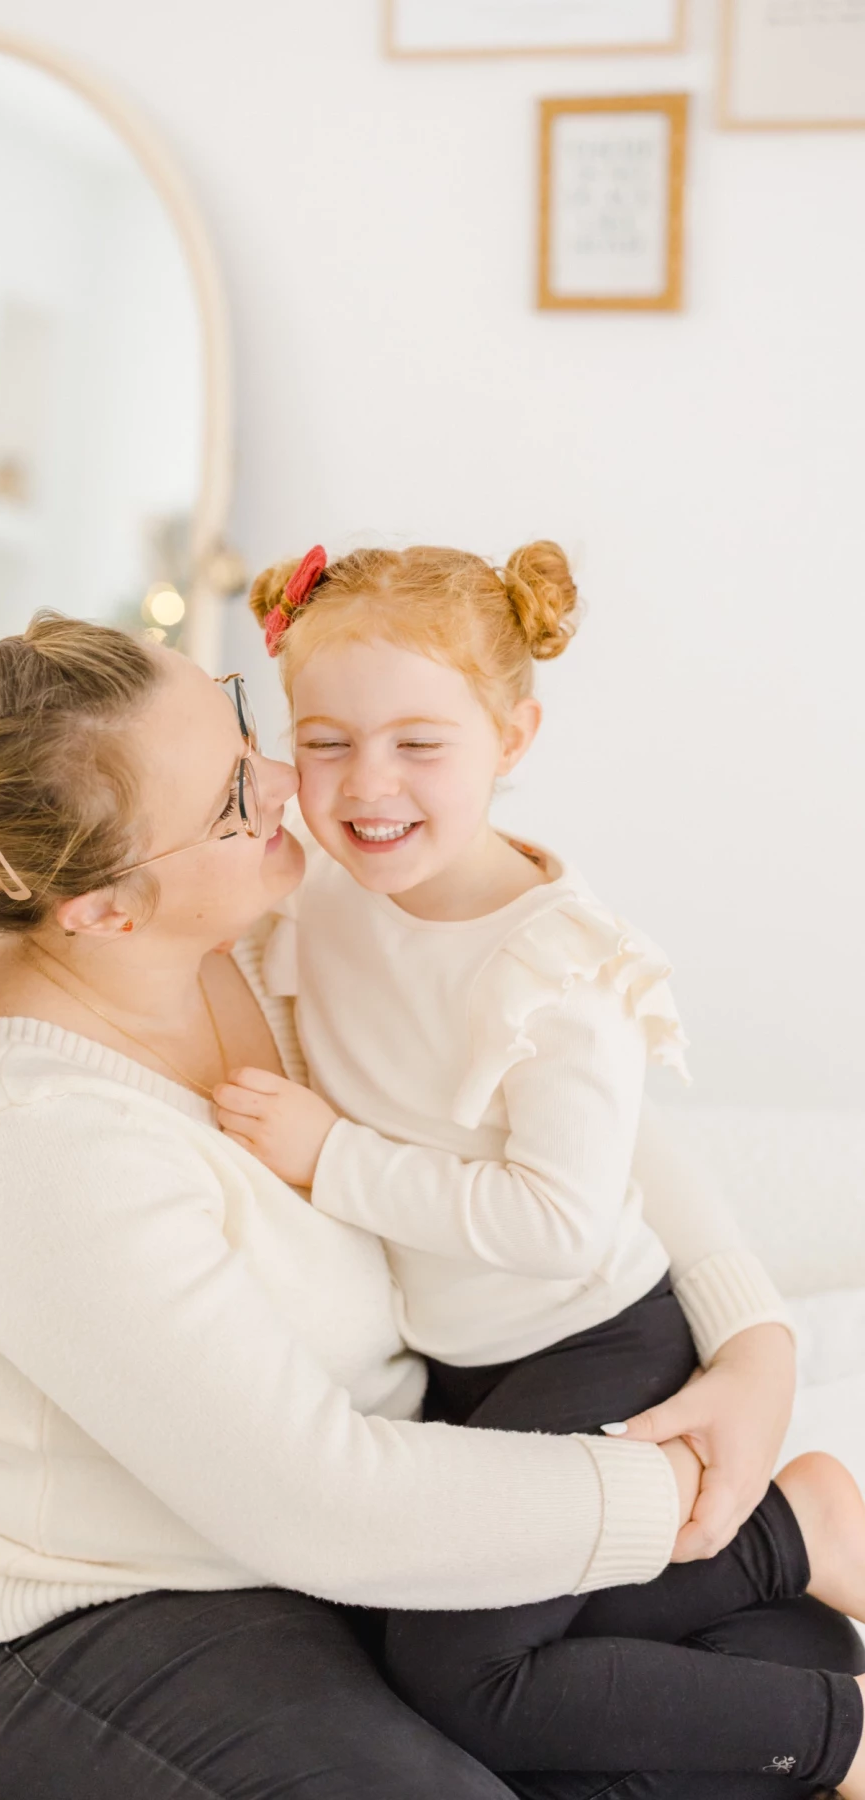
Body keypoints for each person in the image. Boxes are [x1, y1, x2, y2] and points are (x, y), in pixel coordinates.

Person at [0, 612, 855, 1800]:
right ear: (104, 909)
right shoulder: (23, 1148)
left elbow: (561, 1093)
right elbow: (322, 1500)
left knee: (784, 1657)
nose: (292, 782)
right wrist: (694, 1499)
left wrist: (753, 1343)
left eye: (244, 720)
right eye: (235, 797)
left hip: (348, 1558)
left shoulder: (273, 926)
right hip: (116, 1616)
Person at [215, 539, 865, 1789]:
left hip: (590, 1335)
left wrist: (333, 1159)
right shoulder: (333, 885)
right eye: (328, 741)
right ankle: (787, 1606)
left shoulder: (556, 971)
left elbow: (560, 1224)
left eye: (420, 743)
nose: (367, 785)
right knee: (542, 1621)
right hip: (470, 1358)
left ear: (513, 740)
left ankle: (816, 1610)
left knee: (462, 1679)